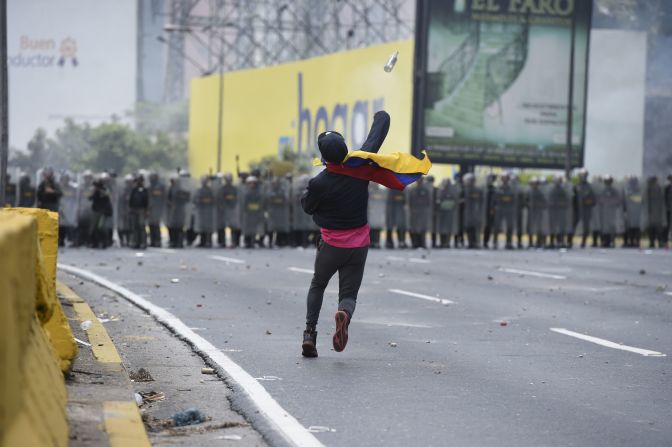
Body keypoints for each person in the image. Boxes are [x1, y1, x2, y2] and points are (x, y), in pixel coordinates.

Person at [300, 110, 390, 357]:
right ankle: (344, 314)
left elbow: (308, 207)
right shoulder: (360, 169)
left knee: (318, 285)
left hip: (331, 246)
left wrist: (307, 198)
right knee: (349, 294)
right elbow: (375, 139)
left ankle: (310, 334)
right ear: (346, 151)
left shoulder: (319, 183)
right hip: (359, 246)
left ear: (323, 156)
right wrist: (381, 117)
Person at [166, 175, 191, 248]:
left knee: (179, 227)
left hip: (180, 210)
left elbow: (187, 198)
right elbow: (168, 199)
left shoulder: (182, 190)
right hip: (173, 211)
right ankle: (173, 241)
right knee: (172, 227)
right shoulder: (171, 189)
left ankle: (179, 242)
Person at [265, 175, 291, 248]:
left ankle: (278, 242)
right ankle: (270, 242)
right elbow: (267, 200)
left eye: (277, 183)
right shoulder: (269, 191)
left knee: (279, 228)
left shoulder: (283, 190)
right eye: (274, 183)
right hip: (272, 212)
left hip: (280, 212)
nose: (275, 184)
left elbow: (286, 200)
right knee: (271, 228)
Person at [573, 169, 596, 248]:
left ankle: (583, 242)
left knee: (586, 226)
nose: (583, 177)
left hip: (586, 210)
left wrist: (587, 201)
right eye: (582, 175)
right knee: (574, 225)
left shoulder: (590, 187)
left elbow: (593, 200)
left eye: (584, 175)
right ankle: (570, 241)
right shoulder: (576, 186)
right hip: (577, 209)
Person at [88, 178, 113, 248]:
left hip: (103, 212)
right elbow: (90, 198)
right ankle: (95, 243)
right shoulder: (95, 191)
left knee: (101, 227)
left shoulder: (104, 190)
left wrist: (100, 190)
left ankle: (104, 242)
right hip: (95, 211)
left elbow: (107, 195)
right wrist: (94, 192)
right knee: (93, 228)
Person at [216, 173, 239, 247]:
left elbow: (238, 198)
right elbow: (219, 199)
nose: (228, 181)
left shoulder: (235, 189)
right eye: (227, 179)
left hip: (232, 209)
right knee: (221, 226)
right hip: (223, 210)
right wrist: (221, 207)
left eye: (230, 179)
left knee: (233, 227)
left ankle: (234, 242)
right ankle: (222, 242)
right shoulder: (222, 189)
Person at [241, 176, 264, 248]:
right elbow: (243, 203)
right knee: (247, 228)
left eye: (253, 183)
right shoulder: (245, 192)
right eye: (250, 183)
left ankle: (253, 241)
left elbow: (261, 203)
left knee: (254, 228)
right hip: (248, 213)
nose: (252, 185)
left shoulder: (259, 193)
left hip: (256, 213)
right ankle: (247, 242)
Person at [495, 172, 516, 250]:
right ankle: (495, 242)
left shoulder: (511, 188)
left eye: (506, 178)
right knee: (497, 226)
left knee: (510, 226)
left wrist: (504, 198)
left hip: (509, 209)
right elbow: (497, 198)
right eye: (503, 178)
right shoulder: (499, 187)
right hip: (500, 208)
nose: (505, 179)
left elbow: (512, 198)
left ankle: (508, 242)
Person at [548, 175, 570, 249]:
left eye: (558, 181)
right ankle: (551, 242)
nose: (557, 182)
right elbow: (548, 200)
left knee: (561, 227)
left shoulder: (563, 190)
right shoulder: (551, 189)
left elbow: (567, 201)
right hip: (553, 211)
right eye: (555, 181)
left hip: (561, 211)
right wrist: (551, 203)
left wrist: (561, 203)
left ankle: (560, 242)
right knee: (552, 227)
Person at [193, 175, 215, 248]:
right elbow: (195, 199)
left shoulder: (210, 190)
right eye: (203, 181)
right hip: (201, 210)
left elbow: (214, 200)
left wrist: (206, 201)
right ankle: (202, 241)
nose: (204, 182)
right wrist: (200, 201)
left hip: (208, 211)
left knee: (208, 227)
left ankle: (208, 241)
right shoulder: (198, 190)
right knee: (201, 227)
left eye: (205, 181)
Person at [462, 173, 483, 249]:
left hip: (475, 212)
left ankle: (476, 243)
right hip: (467, 212)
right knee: (468, 228)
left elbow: (480, 201)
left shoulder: (477, 190)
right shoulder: (464, 189)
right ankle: (470, 242)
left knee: (475, 229)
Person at [128, 175, 149, 249]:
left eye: (140, 180)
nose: (138, 182)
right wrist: (130, 208)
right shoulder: (134, 190)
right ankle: (135, 242)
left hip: (142, 210)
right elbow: (131, 200)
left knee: (141, 227)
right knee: (134, 227)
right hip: (134, 210)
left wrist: (146, 211)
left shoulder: (145, 190)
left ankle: (143, 242)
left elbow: (147, 201)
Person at [436, 178, 457, 248]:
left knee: (448, 228)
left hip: (449, 212)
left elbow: (455, 201)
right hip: (442, 212)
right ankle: (442, 242)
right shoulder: (440, 190)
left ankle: (447, 243)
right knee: (442, 228)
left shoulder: (452, 191)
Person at [58, 172, 78, 247]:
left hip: (70, 208)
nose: (64, 180)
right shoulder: (58, 187)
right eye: (63, 179)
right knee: (61, 226)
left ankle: (73, 241)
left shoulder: (73, 188)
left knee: (71, 225)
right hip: (61, 208)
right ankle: (61, 241)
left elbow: (76, 198)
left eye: (66, 179)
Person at [147, 172, 166, 248]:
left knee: (156, 225)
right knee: (151, 225)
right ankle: (152, 240)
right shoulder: (149, 186)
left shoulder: (161, 186)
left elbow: (163, 197)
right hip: (150, 208)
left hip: (157, 208)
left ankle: (157, 241)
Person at [623, 176, 642, 248]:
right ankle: (631, 242)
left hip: (636, 213)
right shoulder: (628, 190)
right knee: (630, 228)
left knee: (635, 228)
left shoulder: (637, 190)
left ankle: (636, 242)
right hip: (630, 212)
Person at [367, 183, 387, 248]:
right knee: (371, 228)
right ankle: (371, 242)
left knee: (378, 228)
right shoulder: (369, 191)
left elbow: (384, 201)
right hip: (371, 212)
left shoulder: (381, 192)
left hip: (378, 212)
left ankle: (377, 242)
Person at [482, 174, 497, 249]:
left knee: (489, 227)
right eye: (488, 179)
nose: (489, 180)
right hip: (482, 210)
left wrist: (493, 208)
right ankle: (480, 241)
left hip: (490, 211)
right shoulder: (483, 188)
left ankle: (487, 242)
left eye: (490, 179)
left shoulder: (494, 189)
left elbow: (495, 201)